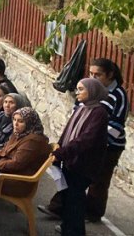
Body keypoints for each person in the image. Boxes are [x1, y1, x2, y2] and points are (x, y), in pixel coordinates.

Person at [44, 59, 129, 223]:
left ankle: (90, 213)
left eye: (98, 74)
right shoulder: (87, 90)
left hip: (107, 146)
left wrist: (99, 144)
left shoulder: (118, 96)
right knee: (72, 178)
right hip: (82, 144)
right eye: (91, 73)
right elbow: (75, 117)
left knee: (97, 182)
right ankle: (59, 209)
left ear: (110, 75)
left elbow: (116, 125)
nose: (93, 77)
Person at [50, 78, 109, 236]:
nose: (77, 92)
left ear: (93, 91)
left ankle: (74, 231)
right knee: (69, 199)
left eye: (81, 89)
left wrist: (62, 153)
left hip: (84, 165)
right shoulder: (81, 108)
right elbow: (68, 131)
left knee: (75, 200)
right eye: (77, 89)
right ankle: (67, 228)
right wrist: (59, 149)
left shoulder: (99, 113)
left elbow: (87, 139)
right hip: (71, 162)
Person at [0, 107, 52, 197]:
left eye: (20, 121)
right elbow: (5, 150)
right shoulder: (19, 134)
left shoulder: (33, 141)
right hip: (5, 173)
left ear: (29, 123)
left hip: (16, 181)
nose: (15, 124)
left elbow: (16, 164)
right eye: (14, 120)